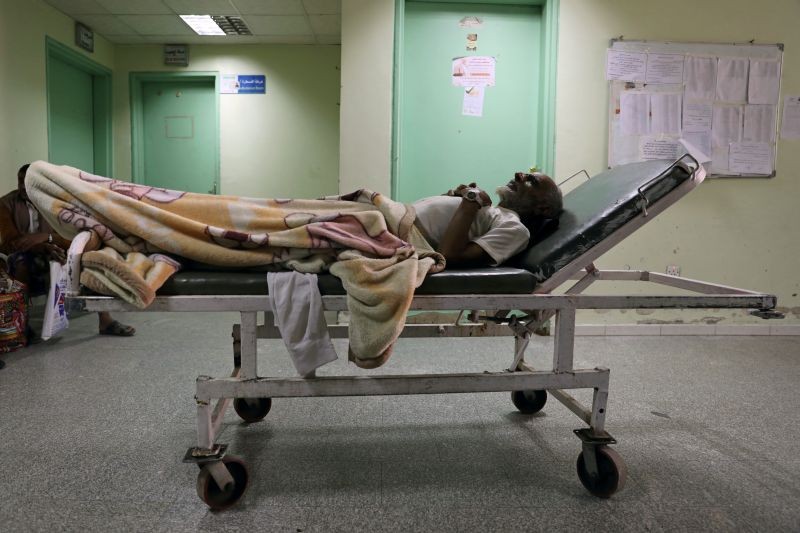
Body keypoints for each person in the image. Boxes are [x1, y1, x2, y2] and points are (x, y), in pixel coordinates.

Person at [0, 164, 135, 340]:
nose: (23, 187)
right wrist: (42, 246)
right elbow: (12, 242)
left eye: (27, 182)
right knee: (21, 265)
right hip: (26, 253)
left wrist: (46, 238)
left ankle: (106, 320)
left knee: (91, 262)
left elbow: (77, 237)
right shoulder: (5, 204)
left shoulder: (57, 202)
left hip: (58, 250)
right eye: (20, 182)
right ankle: (22, 325)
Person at [413, 171, 563, 268]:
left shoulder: (516, 229)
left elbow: (449, 256)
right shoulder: (492, 211)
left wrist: (471, 200)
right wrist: (456, 196)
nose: (518, 174)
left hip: (405, 233)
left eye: (532, 180)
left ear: (543, 209)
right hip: (400, 220)